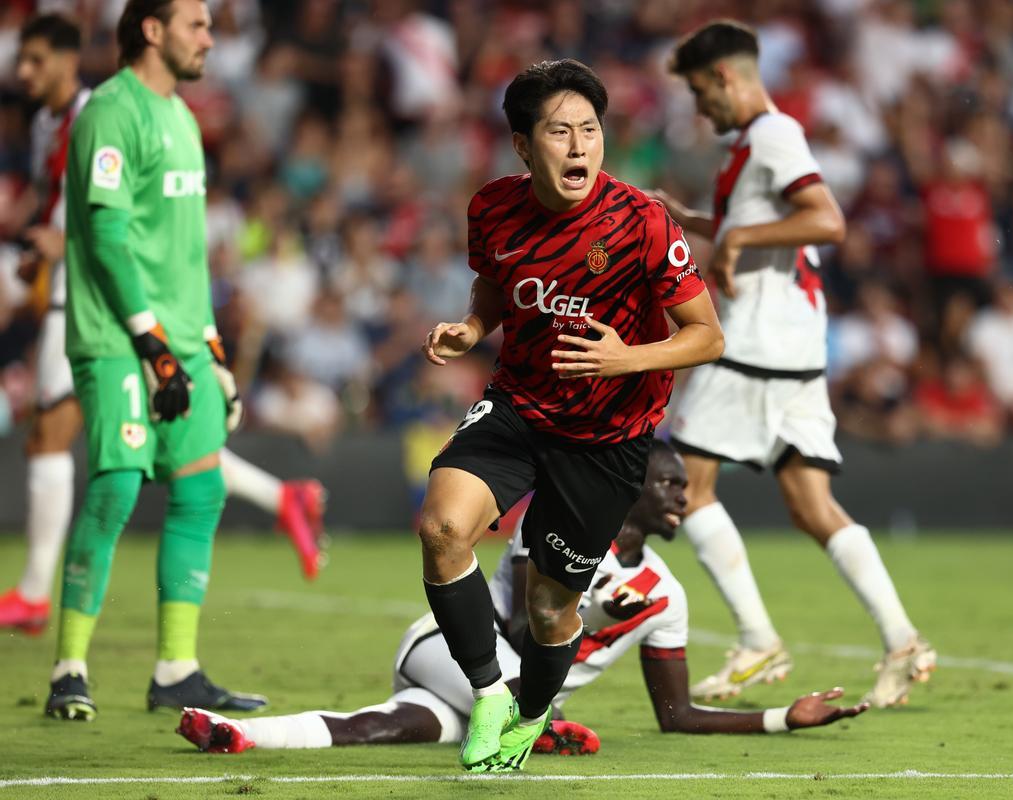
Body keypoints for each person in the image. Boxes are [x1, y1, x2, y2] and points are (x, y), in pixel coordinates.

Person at [417, 59, 723, 772]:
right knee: (440, 528)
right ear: (524, 147)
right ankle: (489, 691)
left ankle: (531, 712)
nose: (581, 145)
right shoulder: (492, 207)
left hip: (606, 438)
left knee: (552, 609)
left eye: (590, 130)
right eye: (561, 131)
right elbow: (496, 282)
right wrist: (470, 327)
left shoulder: (642, 223)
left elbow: (708, 336)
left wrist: (626, 359)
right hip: (518, 406)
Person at [176, 442, 867, 754]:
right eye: (671, 486)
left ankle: (235, 734)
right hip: (455, 653)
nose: (685, 498)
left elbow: (676, 714)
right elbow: (503, 623)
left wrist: (781, 719)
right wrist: (591, 616)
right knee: (509, 694)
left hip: (497, 704)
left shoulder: (668, 596)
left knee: (380, 731)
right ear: (631, 489)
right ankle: (534, 727)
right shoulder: (550, 534)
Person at [0, 12, 327, 637]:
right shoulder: (72, 119)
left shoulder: (118, 113)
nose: (23, 73)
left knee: (93, 454)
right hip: (105, 312)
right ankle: (283, 498)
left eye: (37, 60)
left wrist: (188, 337)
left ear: (71, 61)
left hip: (108, 309)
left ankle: (49, 598)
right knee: (131, 460)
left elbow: (122, 229)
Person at [654, 21, 935, 708]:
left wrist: (740, 234)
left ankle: (757, 638)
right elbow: (773, 232)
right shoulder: (754, 147)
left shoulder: (774, 136)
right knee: (812, 504)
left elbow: (826, 219)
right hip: (798, 348)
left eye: (698, 91)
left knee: (686, 487)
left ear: (725, 76)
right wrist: (694, 219)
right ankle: (903, 640)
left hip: (755, 341)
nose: (698, 108)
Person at [43, 0, 267, 721]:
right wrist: (148, 342)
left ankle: (177, 669)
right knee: (115, 487)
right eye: (197, 24)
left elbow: (184, 255)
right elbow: (107, 239)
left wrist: (210, 350)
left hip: (179, 341)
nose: (209, 37)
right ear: (152, 28)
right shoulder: (111, 111)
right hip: (118, 336)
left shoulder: (182, 119)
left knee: (201, 491)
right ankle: (68, 668)